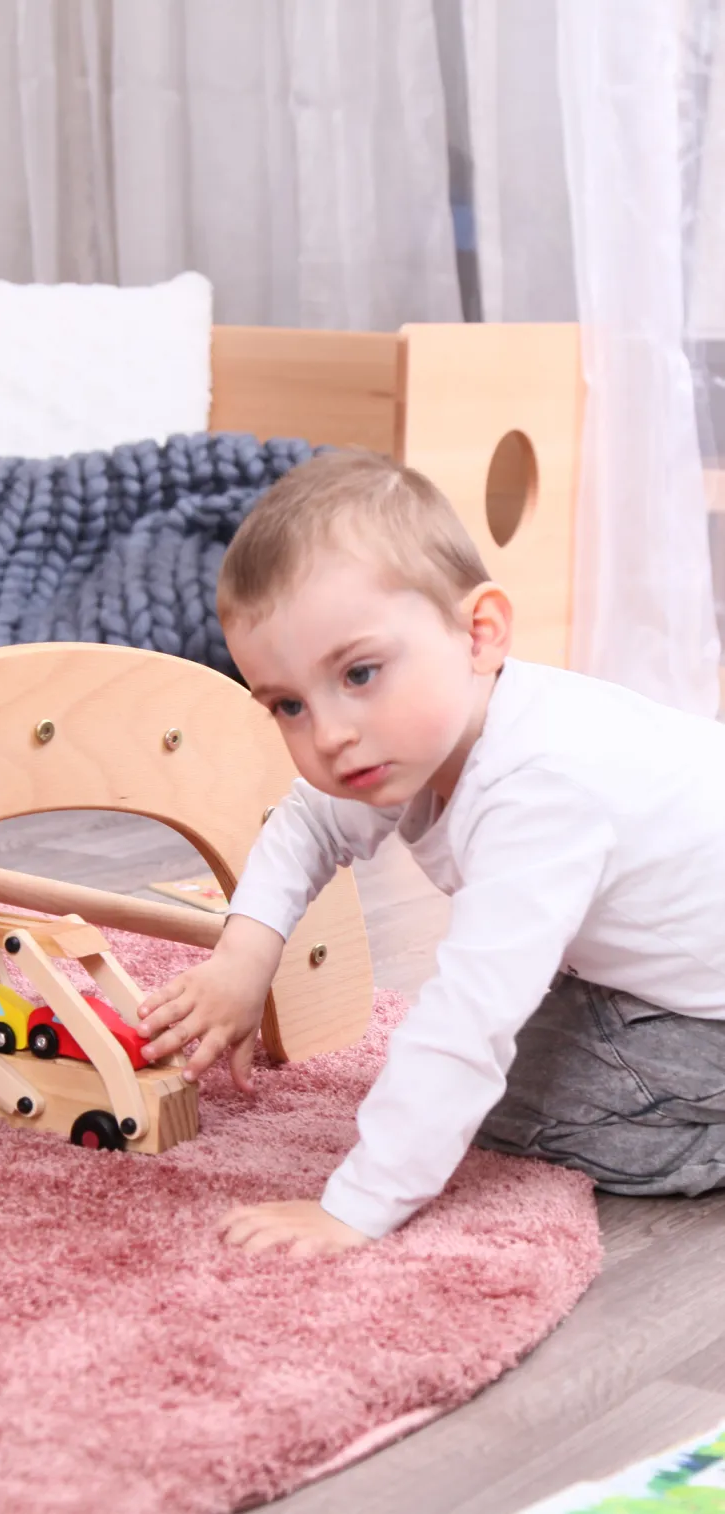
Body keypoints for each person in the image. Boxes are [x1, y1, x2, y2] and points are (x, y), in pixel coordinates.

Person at [136, 449, 725, 1256]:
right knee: (482, 1069)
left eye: (361, 672)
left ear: (479, 633)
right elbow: (307, 822)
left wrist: (357, 1206)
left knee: (502, 1099)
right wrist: (243, 960)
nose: (331, 734)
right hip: (662, 972)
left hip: (707, 1018)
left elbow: (468, 1018)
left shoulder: (540, 791)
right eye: (290, 706)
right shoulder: (419, 733)